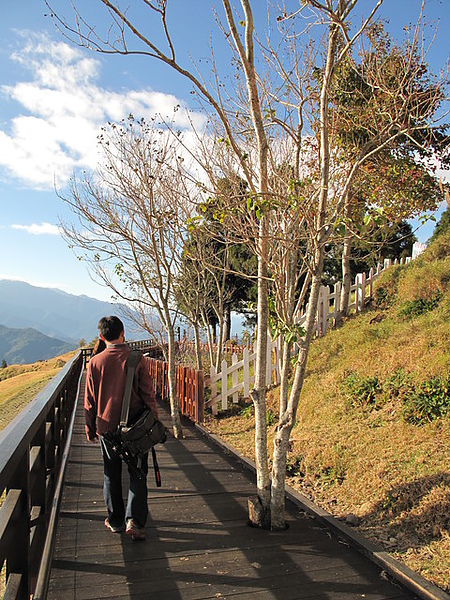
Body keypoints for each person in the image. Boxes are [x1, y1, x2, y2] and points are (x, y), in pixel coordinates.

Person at [85, 316, 158, 541]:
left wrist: (90, 428)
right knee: (137, 472)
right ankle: (134, 521)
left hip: (106, 427)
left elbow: (89, 402)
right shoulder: (136, 358)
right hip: (135, 428)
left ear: (101, 337)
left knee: (111, 473)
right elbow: (148, 394)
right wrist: (153, 422)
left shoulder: (94, 363)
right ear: (123, 332)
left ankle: (116, 520)